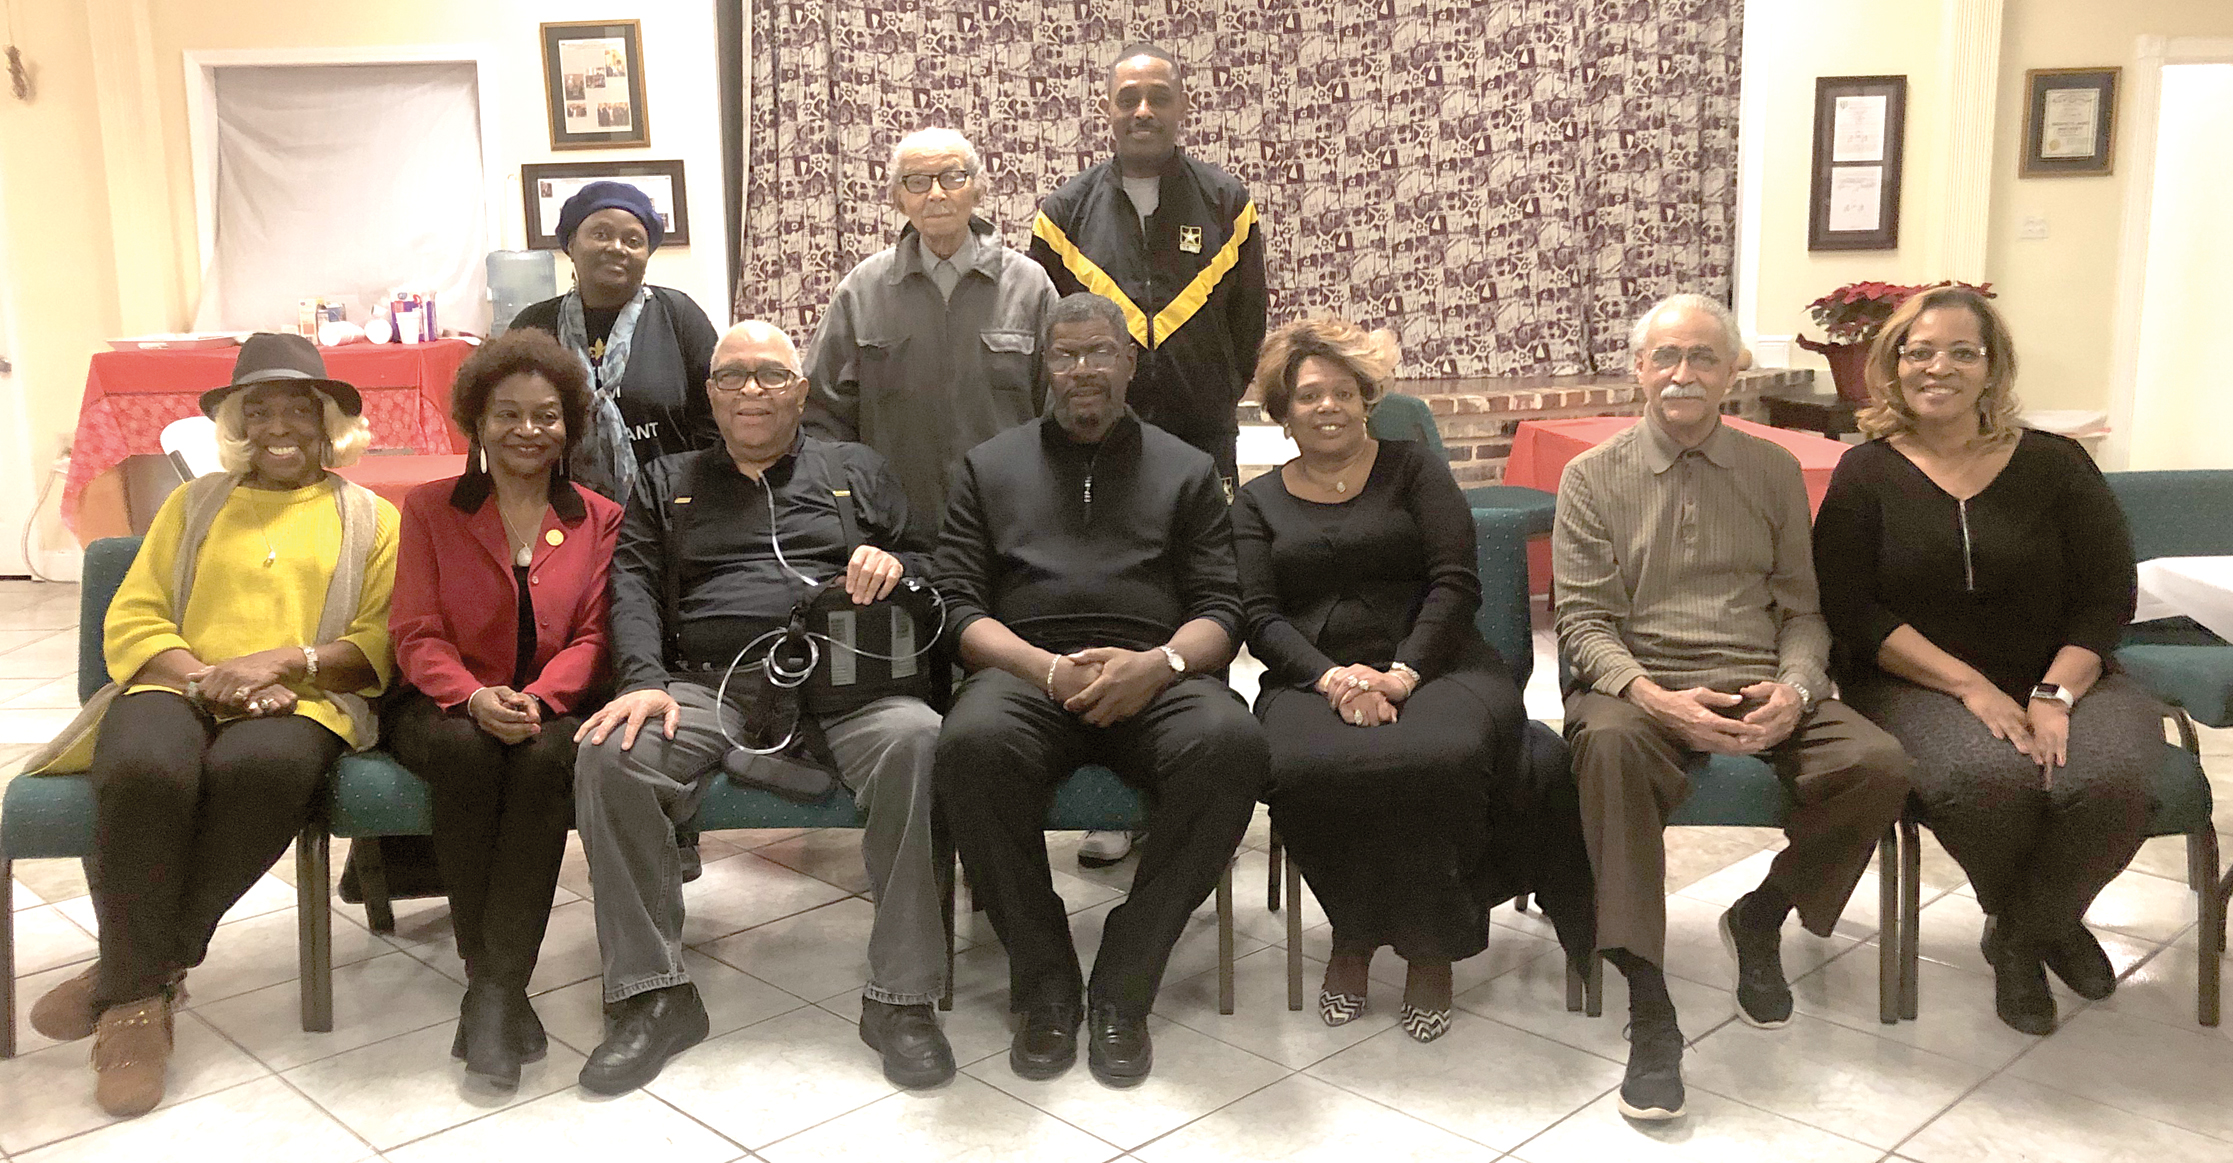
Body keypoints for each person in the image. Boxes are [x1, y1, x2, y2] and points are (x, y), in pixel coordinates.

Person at [1552, 294, 1911, 1123]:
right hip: (1638, 684)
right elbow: (1582, 621)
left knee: (1877, 763)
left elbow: (1802, 608)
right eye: (1666, 356)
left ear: (1731, 373)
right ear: (1638, 369)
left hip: (1757, 675)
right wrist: (1653, 697)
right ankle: (1649, 1001)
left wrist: (1795, 688)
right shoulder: (1591, 476)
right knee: (1605, 748)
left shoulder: (1772, 469)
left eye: (1703, 357)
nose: (1683, 373)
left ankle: (1760, 915)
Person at [570, 320, 952, 1093]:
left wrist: (894, 562)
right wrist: (641, 678)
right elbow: (631, 584)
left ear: (801, 392)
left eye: (770, 375)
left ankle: (902, 998)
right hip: (706, 682)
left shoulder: (855, 470)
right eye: (732, 376)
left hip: (843, 685)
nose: (751, 389)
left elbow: (932, 563)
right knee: (611, 754)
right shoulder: (665, 480)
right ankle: (652, 994)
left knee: (919, 739)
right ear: (709, 395)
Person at [25, 334, 398, 1117]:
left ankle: (130, 980)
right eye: (257, 411)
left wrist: (282, 664)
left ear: (329, 423)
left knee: (262, 767)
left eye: (298, 409)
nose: (277, 426)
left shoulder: (373, 519)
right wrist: (209, 677)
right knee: (144, 765)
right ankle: (140, 991)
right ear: (236, 425)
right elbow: (135, 617)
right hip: (177, 683)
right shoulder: (190, 504)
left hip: (299, 699)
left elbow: (377, 642)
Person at [931, 292, 1269, 1088]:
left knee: (1232, 746)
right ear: (1043, 366)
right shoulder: (988, 466)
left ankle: (1124, 978)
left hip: (1154, 674)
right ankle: (1045, 979)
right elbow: (957, 606)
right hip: (1026, 675)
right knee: (968, 746)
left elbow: (1223, 609)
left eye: (1098, 352)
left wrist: (1158, 665)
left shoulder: (1187, 469)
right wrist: (1042, 668)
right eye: (1064, 354)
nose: (1082, 369)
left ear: (1129, 361)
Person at [1812, 285, 2158, 1036]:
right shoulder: (1864, 473)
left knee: (2114, 782)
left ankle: (2024, 933)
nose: (1938, 367)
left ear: (1991, 367)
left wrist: (2053, 693)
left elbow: (2107, 593)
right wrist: (1970, 687)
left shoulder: (2056, 464)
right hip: (1914, 681)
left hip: (2066, 671)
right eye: (1919, 352)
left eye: (1961, 352)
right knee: (1984, 781)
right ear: (1893, 365)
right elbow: (1854, 610)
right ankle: (2043, 925)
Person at [1234, 317, 1539, 1043]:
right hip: (1310, 675)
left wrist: (1401, 674)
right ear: (1282, 411)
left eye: (1344, 392)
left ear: (1366, 399)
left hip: (1440, 662)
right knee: (1300, 765)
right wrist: (1334, 681)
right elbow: (1259, 616)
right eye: (1310, 395)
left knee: (1439, 756)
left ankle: (1431, 948)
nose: (1329, 406)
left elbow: (1454, 582)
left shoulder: (1415, 469)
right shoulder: (1254, 502)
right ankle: (1353, 933)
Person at [1029, 43, 1266, 867]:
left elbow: (1245, 331)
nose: (1141, 111)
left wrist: (1205, 397)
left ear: (1180, 107)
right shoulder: (1062, 213)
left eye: (1157, 96)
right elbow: (1050, 334)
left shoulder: (1228, 203)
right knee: (1112, 591)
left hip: (1200, 442)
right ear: (1106, 107)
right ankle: (1112, 796)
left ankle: (1196, 790)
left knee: (1206, 595)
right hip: (1097, 444)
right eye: (1127, 96)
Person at [386, 329, 625, 1086]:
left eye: (546, 415)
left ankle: (492, 993)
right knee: (467, 749)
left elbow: (595, 637)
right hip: (441, 702)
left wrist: (539, 698)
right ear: (477, 422)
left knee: (546, 759)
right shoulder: (429, 508)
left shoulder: (598, 517)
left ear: (569, 426)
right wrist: (470, 694)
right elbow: (415, 630)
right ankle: (496, 988)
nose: (528, 430)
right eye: (507, 414)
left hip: (549, 705)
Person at [804, 126, 1059, 532]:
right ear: (898, 198)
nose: (936, 194)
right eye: (918, 181)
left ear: (978, 189)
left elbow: (1060, 408)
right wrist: (857, 502)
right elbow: (820, 414)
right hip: (894, 531)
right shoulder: (861, 291)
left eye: (952, 177)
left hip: (1011, 525)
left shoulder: (1030, 286)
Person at [510, 180, 721, 506]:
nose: (617, 247)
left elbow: (715, 421)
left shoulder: (679, 316)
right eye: (601, 234)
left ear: (647, 254)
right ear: (571, 244)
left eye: (633, 241)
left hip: (669, 511)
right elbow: (500, 419)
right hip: (555, 512)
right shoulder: (534, 325)